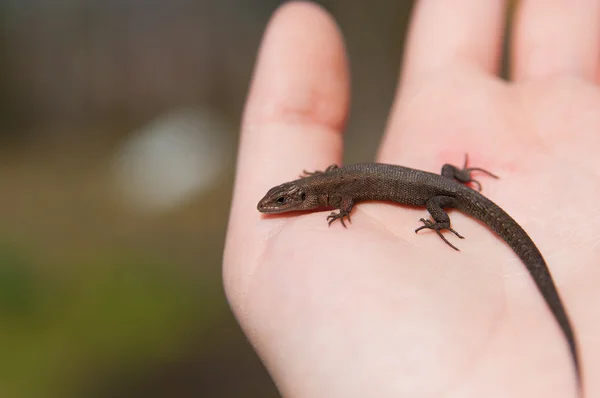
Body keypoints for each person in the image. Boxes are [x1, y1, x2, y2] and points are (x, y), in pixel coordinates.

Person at [223, 1, 599, 396]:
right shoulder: (327, 184)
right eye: (280, 201)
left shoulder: (334, 189)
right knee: (448, 183)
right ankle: (459, 181)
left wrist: (356, 212)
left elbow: (346, 195)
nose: (274, 208)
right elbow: (338, 183)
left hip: (438, 195)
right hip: (445, 184)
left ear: (301, 195)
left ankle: (443, 217)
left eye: (281, 202)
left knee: (439, 203)